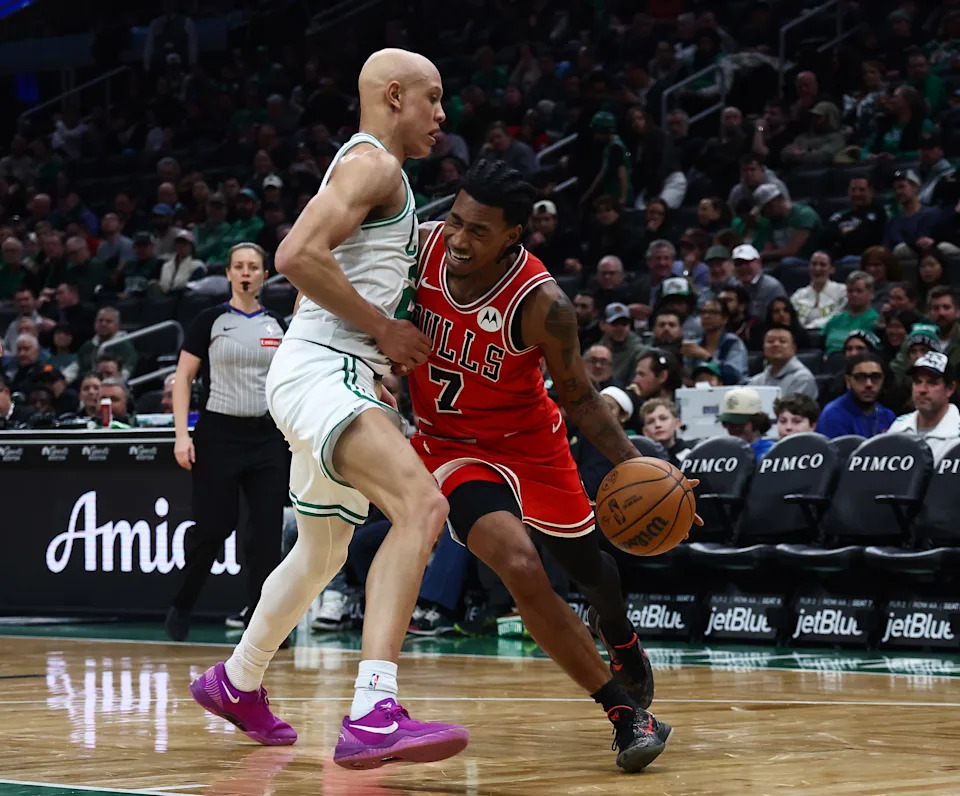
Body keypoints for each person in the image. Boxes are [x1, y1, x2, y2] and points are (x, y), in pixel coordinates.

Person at [188, 50, 468, 768]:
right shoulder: (373, 165)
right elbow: (295, 255)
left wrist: (375, 350)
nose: (442, 115)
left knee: (323, 551)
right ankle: (374, 711)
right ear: (394, 95)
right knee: (422, 508)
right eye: (433, 99)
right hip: (324, 367)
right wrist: (383, 331)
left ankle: (236, 680)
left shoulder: (378, 173)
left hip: (325, 371)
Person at [408, 159, 686, 773]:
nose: (458, 238)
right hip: (450, 445)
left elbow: (580, 398)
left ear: (513, 235)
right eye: (455, 221)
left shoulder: (543, 302)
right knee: (519, 564)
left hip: (531, 441)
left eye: (478, 231)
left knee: (590, 570)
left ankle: (620, 635)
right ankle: (625, 714)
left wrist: (642, 467)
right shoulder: (419, 248)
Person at [166, 243, 290, 641]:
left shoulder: (278, 325)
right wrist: (182, 435)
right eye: (239, 266)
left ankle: (263, 625)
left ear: (265, 275)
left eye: (253, 266)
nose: (246, 272)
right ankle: (183, 603)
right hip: (218, 435)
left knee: (266, 536)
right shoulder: (210, 320)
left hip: (267, 438)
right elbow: (183, 379)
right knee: (213, 528)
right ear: (229, 273)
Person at [889, 352, 960, 464]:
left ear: (950, 389)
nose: (922, 390)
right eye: (917, 382)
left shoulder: (957, 434)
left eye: (932, 383)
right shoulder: (898, 426)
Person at [816, 353, 895, 439]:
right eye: (860, 377)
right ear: (848, 381)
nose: (869, 384)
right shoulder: (832, 415)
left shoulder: (888, 415)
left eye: (875, 377)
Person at [748, 327, 818, 399]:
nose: (776, 344)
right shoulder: (756, 381)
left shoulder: (803, 378)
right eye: (770, 341)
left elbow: (793, 406)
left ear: (793, 348)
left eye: (782, 341)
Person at [822, 271, 879, 356]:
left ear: (871, 294)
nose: (854, 294)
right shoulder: (836, 319)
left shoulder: (875, 321)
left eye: (859, 291)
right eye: (850, 291)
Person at [790, 251, 847, 330]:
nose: (817, 268)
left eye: (823, 265)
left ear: (832, 269)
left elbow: (839, 318)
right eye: (814, 264)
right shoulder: (798, 295)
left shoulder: (842, 291)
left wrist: (810, 327)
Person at [717, 386, 774, 462]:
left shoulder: (771, 453)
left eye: (739, 423)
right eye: (729, 423)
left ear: (756, 422)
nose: (734, 428)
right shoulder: (722, 454)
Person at [640, 397, 694, 466]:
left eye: (663, 418)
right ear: (645, 431)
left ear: (676, 424)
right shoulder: (641, 460)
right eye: (650, 421)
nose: (657, 425)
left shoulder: (691, 455)